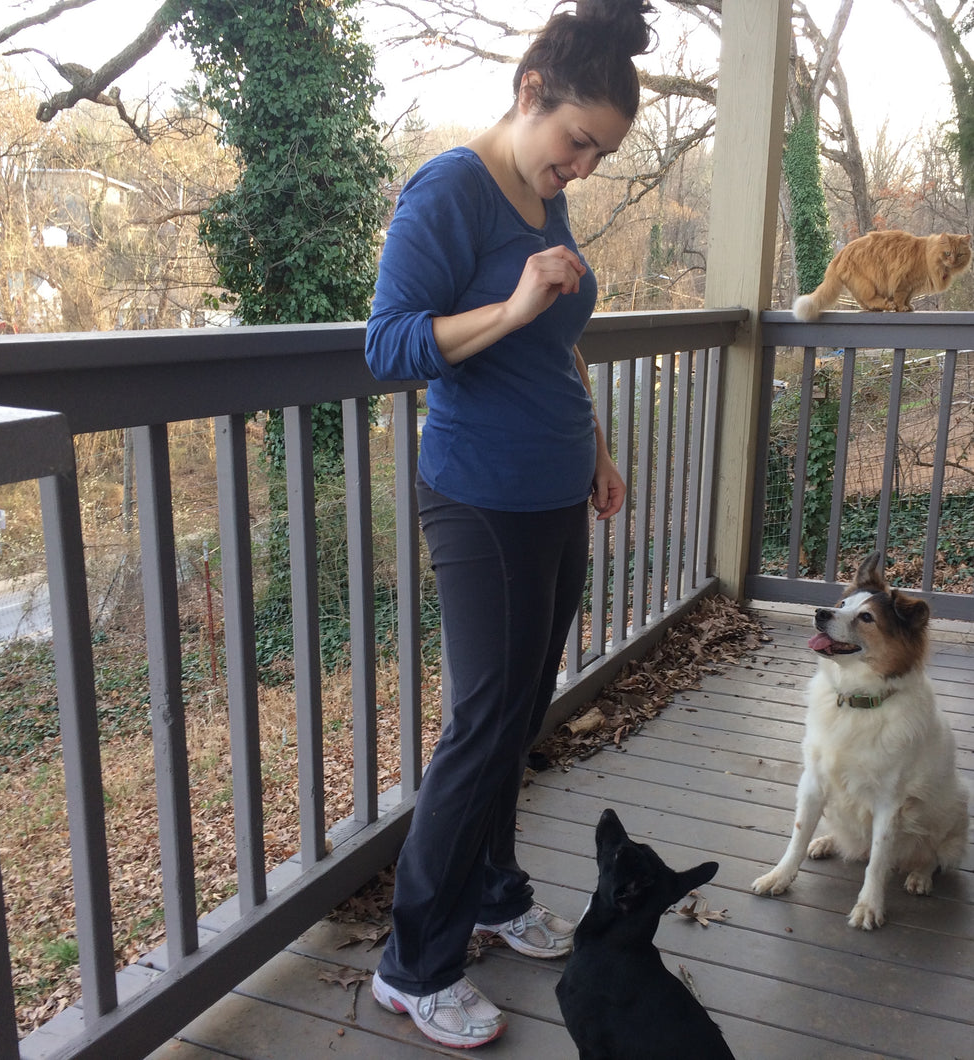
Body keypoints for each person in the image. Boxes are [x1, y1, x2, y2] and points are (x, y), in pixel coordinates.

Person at [364, 0, 655, 1048]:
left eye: (600, 154)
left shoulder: (545, 200)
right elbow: (389, 345)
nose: (580, 165)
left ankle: (492, 890)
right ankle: (414, 963)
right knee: (481, 725)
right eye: (577, 139)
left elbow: (555, 339)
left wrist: (597, 446)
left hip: (550, 483)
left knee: (521, 710)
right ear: (532, 93)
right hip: (478, 493)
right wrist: (514, 305)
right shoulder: (448, 190)